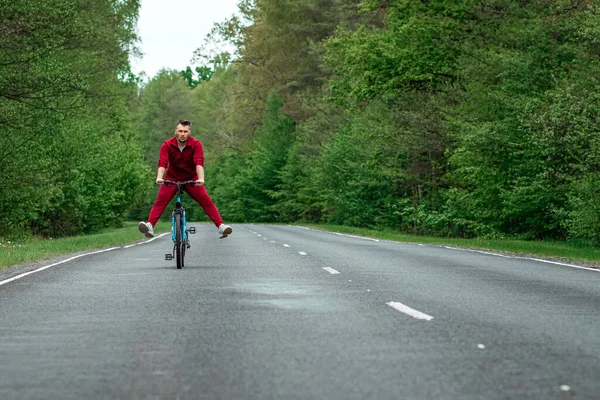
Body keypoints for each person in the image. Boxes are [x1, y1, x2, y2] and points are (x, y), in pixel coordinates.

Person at [138, 119, 232, 239]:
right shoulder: (167, 145)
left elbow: (199, 162)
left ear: (189, 132)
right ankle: (150, 225)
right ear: (176, 131)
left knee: (205, 199)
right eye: (180, 131)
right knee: (161, 200)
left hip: (191, 179)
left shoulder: (196, 144)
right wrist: (159, 177)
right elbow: (163, 163)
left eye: (185, 131)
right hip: (172, 178)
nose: (183, 134)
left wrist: (201, 178)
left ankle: (221, 226)